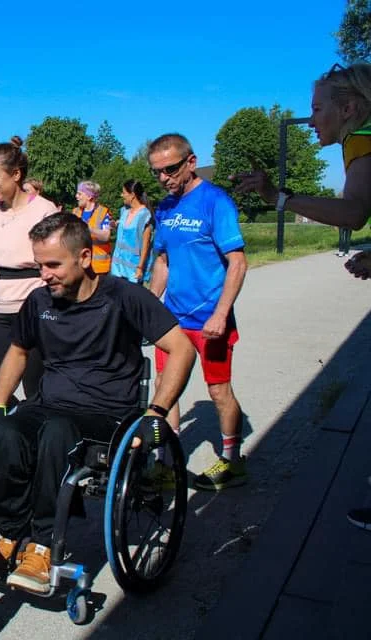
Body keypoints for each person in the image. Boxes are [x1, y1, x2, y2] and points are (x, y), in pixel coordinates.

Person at [0, 212, 196, 595]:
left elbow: (182, 349)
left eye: (53, 265)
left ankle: (44, 545)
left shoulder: (124, 297)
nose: (43, 274)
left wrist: (157, 414)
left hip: (107, 415)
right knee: (6, 432)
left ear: (85, 258)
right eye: (39, 265)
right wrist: (0, 404)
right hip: (49, 403)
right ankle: (10, 535)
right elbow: (18, 351)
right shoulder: (38, 302)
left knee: (57, 434)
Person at [232, 62, 371, 526]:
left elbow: (354, 213)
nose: (311, 120)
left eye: (317, 109)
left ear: (348, 108)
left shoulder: (361, 139)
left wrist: (281, 198)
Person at [148, 133, 248, 491]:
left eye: (170, 170)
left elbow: (237, 262)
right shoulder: (164, 208)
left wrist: (221, 313)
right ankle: (165, 465)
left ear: (191, 162)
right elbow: (163, 261)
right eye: (156, 172)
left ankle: (232, 462)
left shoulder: (215, 202)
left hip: (210, 318)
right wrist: (147, 308)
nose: (163, 178)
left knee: (218, 391)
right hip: (173, 319)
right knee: (164, 389)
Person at [0, 136, 56, 407]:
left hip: (36, 309)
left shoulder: (44, 210)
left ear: (16, 174)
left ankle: (35, 441)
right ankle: (17, 421)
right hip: (1, 310)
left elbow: (57, 265)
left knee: (36, 389)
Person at [110, 179, 154, 285]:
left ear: (132, 195)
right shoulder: (124, 211)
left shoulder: (145, 215)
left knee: (131, 300)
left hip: (133, 269)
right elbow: (126, 235)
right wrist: (115, 226)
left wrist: (140, 267)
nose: (122, 195)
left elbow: (145, 244)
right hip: (118, 267)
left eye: (124, 192)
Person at [71, 180, 113, 274]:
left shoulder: (103, 212)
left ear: (89, 196)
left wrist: (88, 229)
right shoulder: (75, 212)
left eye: (79, 194)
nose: (76, 196)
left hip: (98, 267)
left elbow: (106, 236)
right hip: (79, 265)